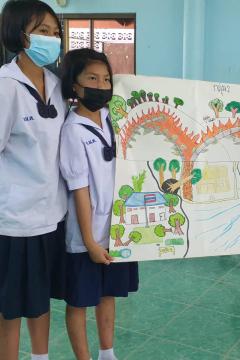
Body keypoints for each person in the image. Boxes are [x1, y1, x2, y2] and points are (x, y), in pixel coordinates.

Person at [60, 48, 139, 360]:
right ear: (74, 85)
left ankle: (108, 353)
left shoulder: (112, 119)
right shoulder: (72, 130)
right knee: (79, 300)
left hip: (116, 229)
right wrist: (91, 242)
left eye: (106, 78)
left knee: (109, 294)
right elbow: (79, 191)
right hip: (86, 236)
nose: (101, 85)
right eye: (92, 78)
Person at [0, 1, 67, 359]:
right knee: (10, 309)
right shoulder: (5, 87)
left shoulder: (56, 85)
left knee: (41, 302)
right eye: (43, 31)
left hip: (51, 218)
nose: (52, 39)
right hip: (15, 222)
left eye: (56, 33)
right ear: (20, 34)